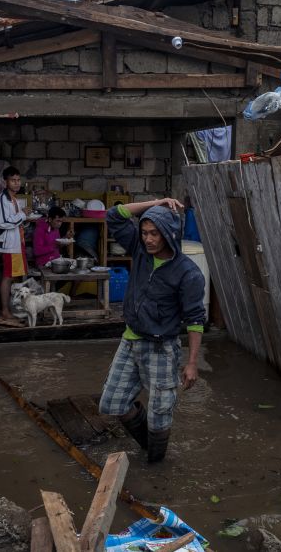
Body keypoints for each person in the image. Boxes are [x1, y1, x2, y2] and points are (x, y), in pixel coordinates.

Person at [98, 197, 206, 463]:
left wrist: (192, 363)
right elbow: (114, 215)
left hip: (161, 347)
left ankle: (156, 464)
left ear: (169, 234)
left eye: (154, 233)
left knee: (160, 414)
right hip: (130, 341)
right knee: (112, 403)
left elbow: (195, 320)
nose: (147, 239)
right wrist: (157, 202)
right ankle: (149, 447)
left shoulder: (188, 273)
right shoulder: (139, 250)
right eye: (145, 232)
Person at [0, 166, 35, 320]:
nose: (16, 183)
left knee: (12, 276)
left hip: (15, 242)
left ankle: (9, 307)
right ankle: (5, 311)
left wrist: (24, 217)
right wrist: (22, 215)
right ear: (5, 182)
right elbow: (2, 222)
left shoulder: (13, 199)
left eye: (18, 180)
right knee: (8, 276)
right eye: (13, 180)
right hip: (7, 245)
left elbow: (14, 221)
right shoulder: (2, 200)